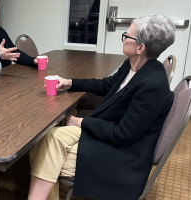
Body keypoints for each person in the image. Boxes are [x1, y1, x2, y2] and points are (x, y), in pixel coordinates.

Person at [27, 14, 176, 200]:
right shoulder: (135, 65)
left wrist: (82, 122)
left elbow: (124, 134)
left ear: (140, 47)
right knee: (48, 138)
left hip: (124, 156)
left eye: (126, 36)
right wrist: (70, 82)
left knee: (45, 151)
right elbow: (107, 85)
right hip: (109, 129)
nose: (122, 38)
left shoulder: (153, 84)